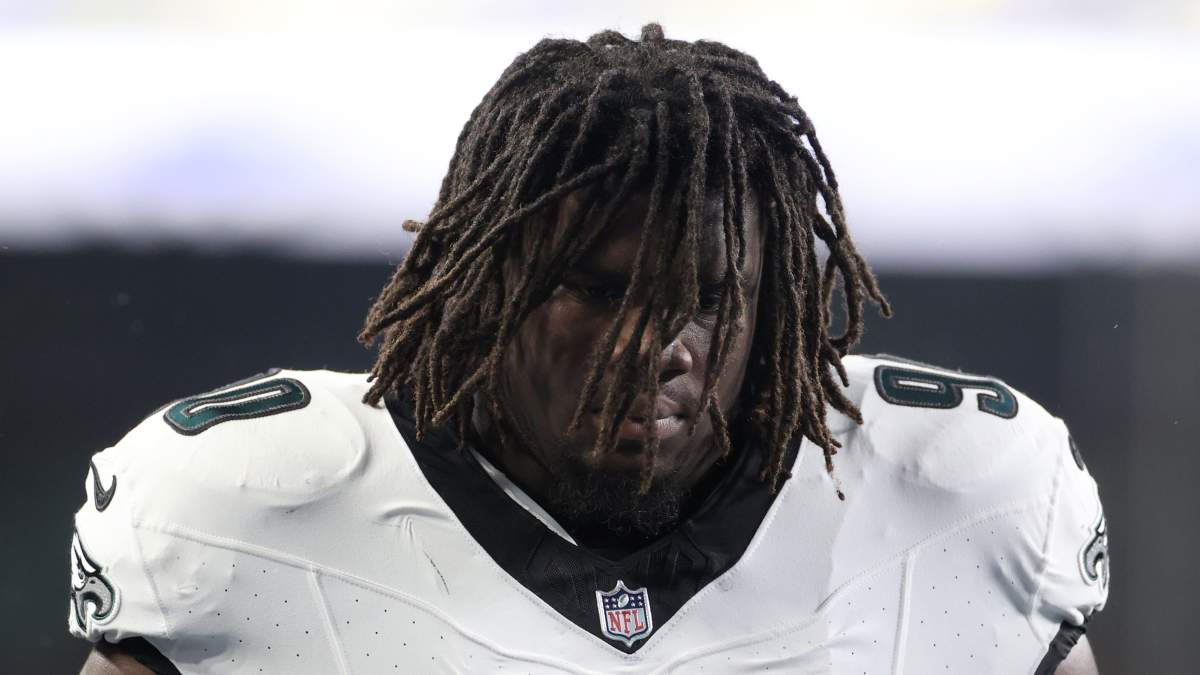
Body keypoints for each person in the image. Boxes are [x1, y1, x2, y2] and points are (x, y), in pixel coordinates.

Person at [72, 24, 1107, 674]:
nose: (659, 347)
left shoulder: (964, 500)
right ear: (484, 283)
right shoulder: (244, 512)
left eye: (708, 299)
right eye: (601, 292)